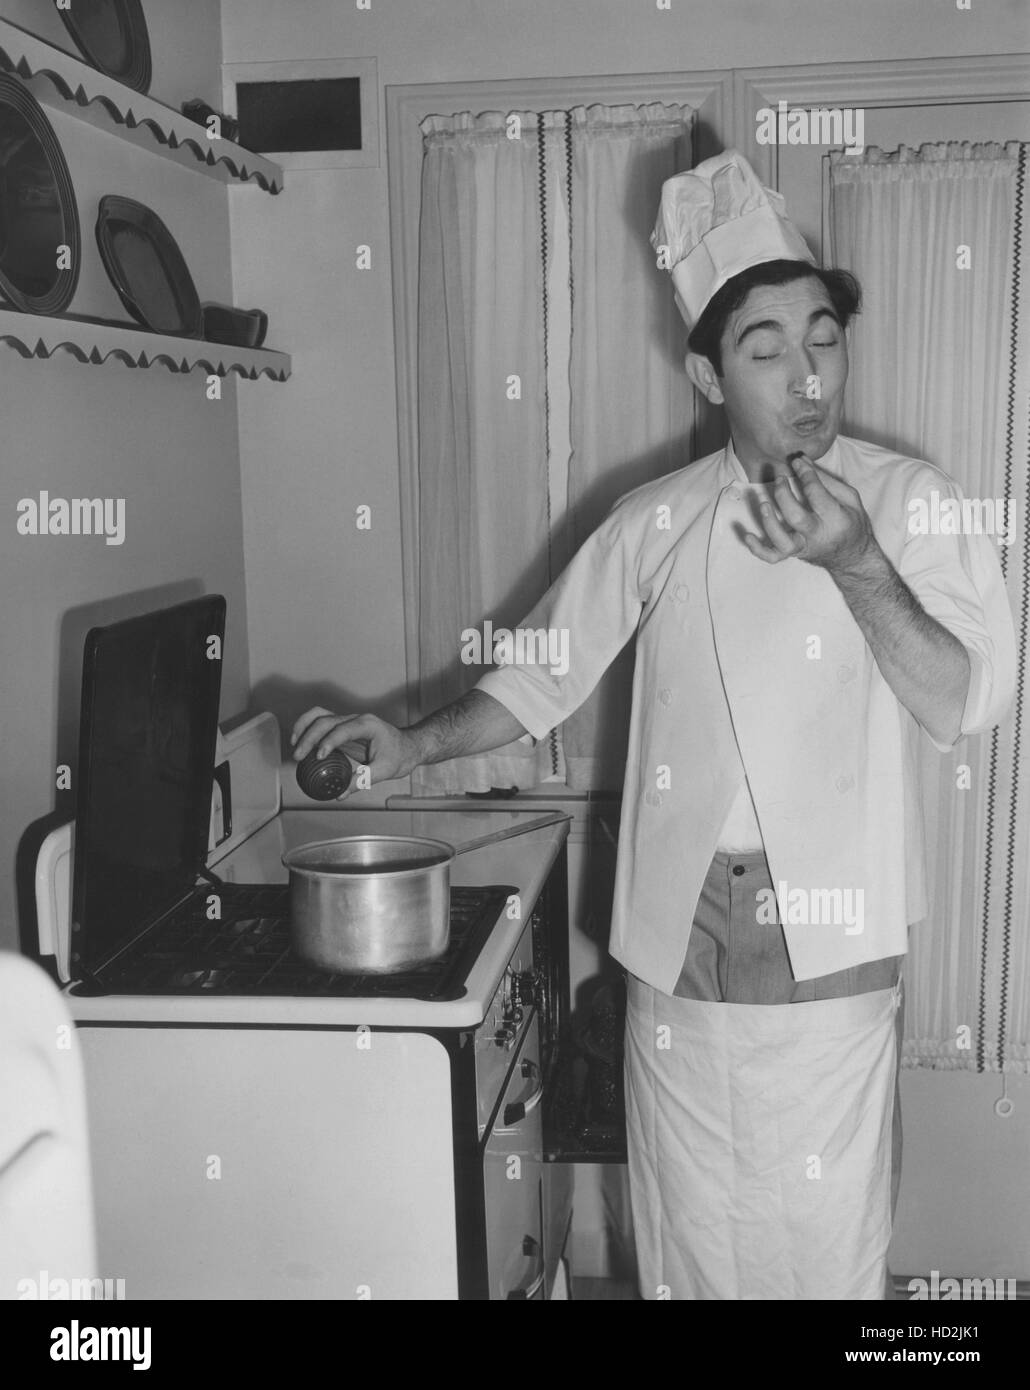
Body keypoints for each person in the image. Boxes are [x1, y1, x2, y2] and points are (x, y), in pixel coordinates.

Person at [291, 150, 1016, 1300]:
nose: (805, 377)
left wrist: (854, 562)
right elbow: (542, 670)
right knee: (686, 1233)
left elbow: (967, 699)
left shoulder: (907, 504)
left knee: (821, 1237)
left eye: (821, 336)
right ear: (706, 369)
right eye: (763, 348)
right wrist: (414, 741)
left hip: (824, 932)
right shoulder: (657, 519)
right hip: (676, 930)